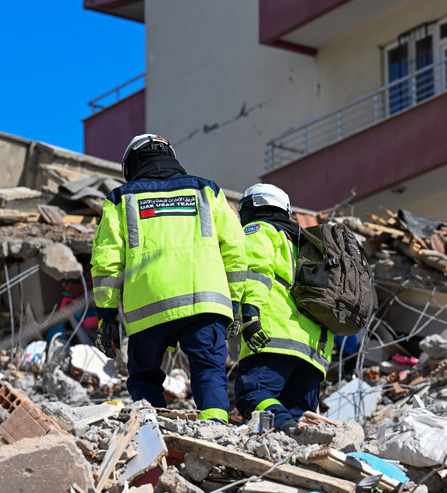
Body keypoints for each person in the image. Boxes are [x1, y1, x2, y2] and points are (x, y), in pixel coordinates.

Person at [91, 133, 246, 423]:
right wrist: (235, 302)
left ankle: (152, 428)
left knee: (144, 374)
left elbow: (106, 263)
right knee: (209, 368)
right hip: (205, 303)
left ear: (131, 165)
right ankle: (215, 426)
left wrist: (106, 315)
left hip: (148, 308)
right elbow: (236, 248)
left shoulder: (121, 199)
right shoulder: (206, 191)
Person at [234, 183, 334, 435]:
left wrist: (250, 314)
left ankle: (283, 428)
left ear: (251, 207)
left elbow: (257, 272)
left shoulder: (261, 229)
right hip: (315, 350)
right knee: (298, 413)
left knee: (253, 393)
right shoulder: (309, 246)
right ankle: (292, 454)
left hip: (273, 336)